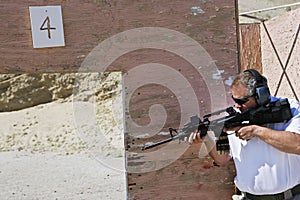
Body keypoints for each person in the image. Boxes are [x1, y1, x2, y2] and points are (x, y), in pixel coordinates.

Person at [187, 69, 300, 200]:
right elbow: (222, 159)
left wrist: (257, 131)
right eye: (234, 99)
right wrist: (206, 140)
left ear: (261, 95)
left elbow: (297, 144)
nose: (237, 105)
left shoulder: (291, 109)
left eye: (242, 101)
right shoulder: (234, 118)